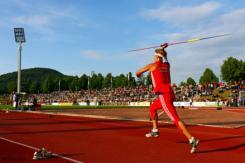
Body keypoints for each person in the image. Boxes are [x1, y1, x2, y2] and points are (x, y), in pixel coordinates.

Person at [135, 43, 199, 153]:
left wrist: (139, 75)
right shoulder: (167, 65)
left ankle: (191, 139)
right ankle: (155, 130)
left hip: (164, 95)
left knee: (175, 119)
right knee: (152, 108)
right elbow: (165, 58)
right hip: (168, 93)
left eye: (154, 56)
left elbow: (137, 72)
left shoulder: (152, 66)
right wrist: (163, 49)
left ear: (156, 57)